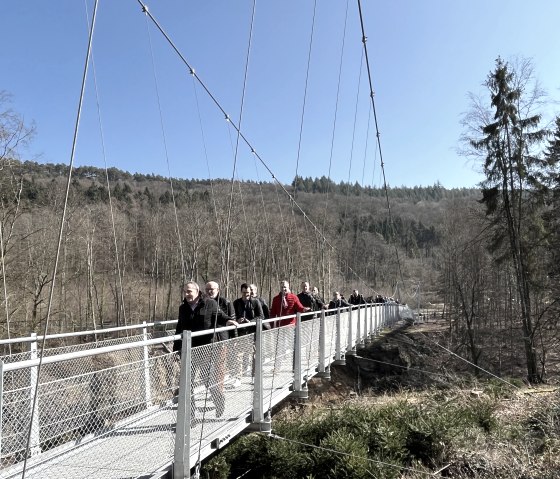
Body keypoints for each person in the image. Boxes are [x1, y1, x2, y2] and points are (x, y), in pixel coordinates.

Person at [172, 281, 233, 417]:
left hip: (206, 349)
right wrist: (176, 349)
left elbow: (221, 316)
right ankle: (190, 416)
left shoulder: (209, 303)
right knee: (187, 384)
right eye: (185, 292)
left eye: (189, 291)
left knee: (208, 380)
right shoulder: (183, 308)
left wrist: (230, 321)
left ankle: (219, 399)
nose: (187, 294)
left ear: (197, 291)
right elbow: (179, 328)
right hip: (189, 350)